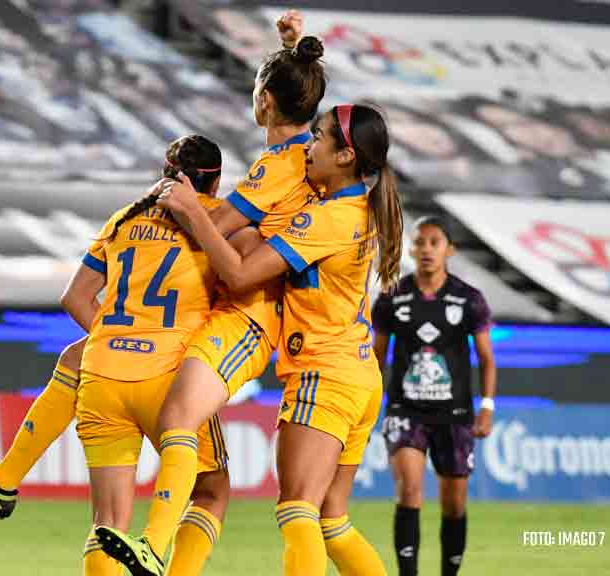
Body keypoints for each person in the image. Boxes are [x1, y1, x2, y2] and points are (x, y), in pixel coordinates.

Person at [97, 14, 328, 576]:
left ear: (265, 102)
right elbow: (307, 111)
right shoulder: (302, 148)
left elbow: (218, 224)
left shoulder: (276, 169)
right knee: (213, 484)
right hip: (219, 317)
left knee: (179, 420)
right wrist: (292, 49)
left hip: (248, 318)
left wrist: (170, 206)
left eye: (257, 88)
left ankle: (152, 544)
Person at [144, 103, 401, 576]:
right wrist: (296, 58)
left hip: (323, 375)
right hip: (360, 377)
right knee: (332, 519)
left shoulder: (327, 221)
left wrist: (192, 213)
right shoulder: (355, 208)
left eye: (320, 138)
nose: (310, 146)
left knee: (297, 508)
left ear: (346, 156)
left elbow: (241, 275)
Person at [70, 135, 231, 576]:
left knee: (107, 522)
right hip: (171, 374)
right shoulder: (218, 219)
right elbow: (241, 273)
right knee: (212, 490)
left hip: (105, 375)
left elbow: (76, 298)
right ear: (214, 183)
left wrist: (118, 344)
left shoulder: (125, 218)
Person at [372, 216, 497, 576]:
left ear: (449, 250)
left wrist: (486, 408)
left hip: (454, 414)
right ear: (410, 249)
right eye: (420, 242)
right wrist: (366, 405)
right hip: (405, 410)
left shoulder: (469, 299)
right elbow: (377, 358)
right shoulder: (392, 297)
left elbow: (487, 359)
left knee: (453, 505)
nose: (426, 249)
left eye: (434, 242)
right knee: (409, 490)